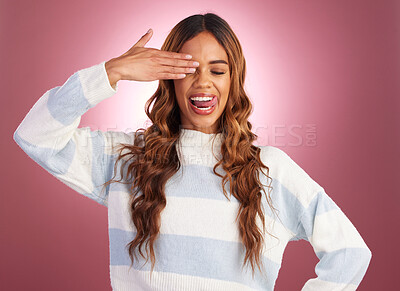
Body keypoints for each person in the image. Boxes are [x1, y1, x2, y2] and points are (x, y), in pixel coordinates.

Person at [13, 13, 372, 291]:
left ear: (234, 82)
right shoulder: (127, 159)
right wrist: (113, 71)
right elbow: (35, 135)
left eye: (217, 70)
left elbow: (349, 253)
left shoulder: (270, 170)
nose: (203, 83)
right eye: (188, 70)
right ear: (169, 78)